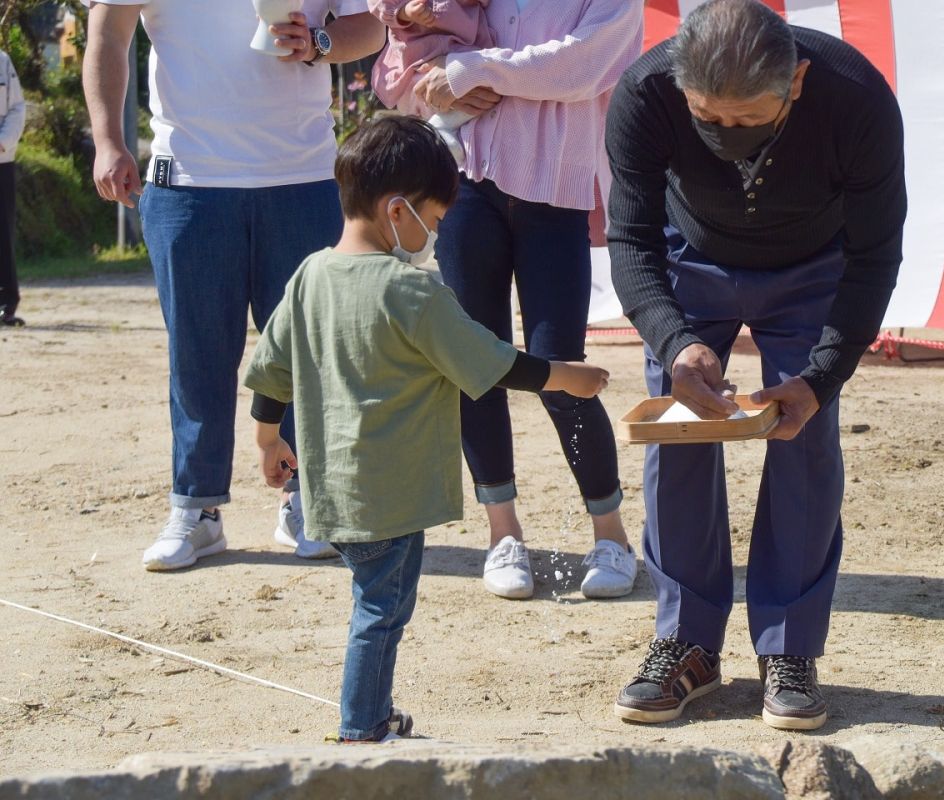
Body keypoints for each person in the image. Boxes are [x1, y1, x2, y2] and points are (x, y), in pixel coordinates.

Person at [244, 116, 611, 742]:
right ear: (396, 211)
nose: (434, 235)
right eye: (434, 220)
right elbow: (493, 362)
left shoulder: (309, 275)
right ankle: (363, 726)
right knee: (381, 612)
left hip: (331, 488)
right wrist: (566, 376)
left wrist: (267, 441)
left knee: (374, 603)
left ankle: (375, 713)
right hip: (392, 491)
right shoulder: (413, 293)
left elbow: (270, 371)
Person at [606, 0, 906, 729]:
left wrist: (822, 375)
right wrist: (676, 343)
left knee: (801, 437)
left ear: (797, 82)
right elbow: (631, 240)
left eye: (747, 120)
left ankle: (789, 648)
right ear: (681, 84)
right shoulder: (645, 93)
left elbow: (873, 259)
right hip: (689, 263)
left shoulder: (857, 98)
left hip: (817, 267)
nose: (724, 136)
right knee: (679, 432)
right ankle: (685, 642)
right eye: (708, 116)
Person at [82, 1, 384, 569]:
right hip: (189, 181)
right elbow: (108, 30)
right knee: (198, 353)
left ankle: (307, 501)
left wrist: (320, 42)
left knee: (309, 353)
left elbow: (370, 25)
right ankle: (197, 509)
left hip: (304, 176)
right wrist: (107, 140)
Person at [407, 0, 644, 600]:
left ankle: (611, 535)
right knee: (473, 367)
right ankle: (502, 534)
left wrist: (471, 68)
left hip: (556, 193)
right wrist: (436, 85)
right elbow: (407, 69)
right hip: (467, 187)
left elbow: (580, 69)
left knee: (560, 367)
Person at [369, 0, 493, 162]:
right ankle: (434, 133)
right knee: (413, 92)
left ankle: (441, 129)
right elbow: (378, 4)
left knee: (482, 82)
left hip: (461, 46)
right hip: (416, 53)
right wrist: (403, 11)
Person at [0, 47, 25, 327]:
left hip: (1, 160)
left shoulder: (3, 60)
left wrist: (3, 141)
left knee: (2, 233)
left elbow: (18, 106)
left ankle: (6, 304)